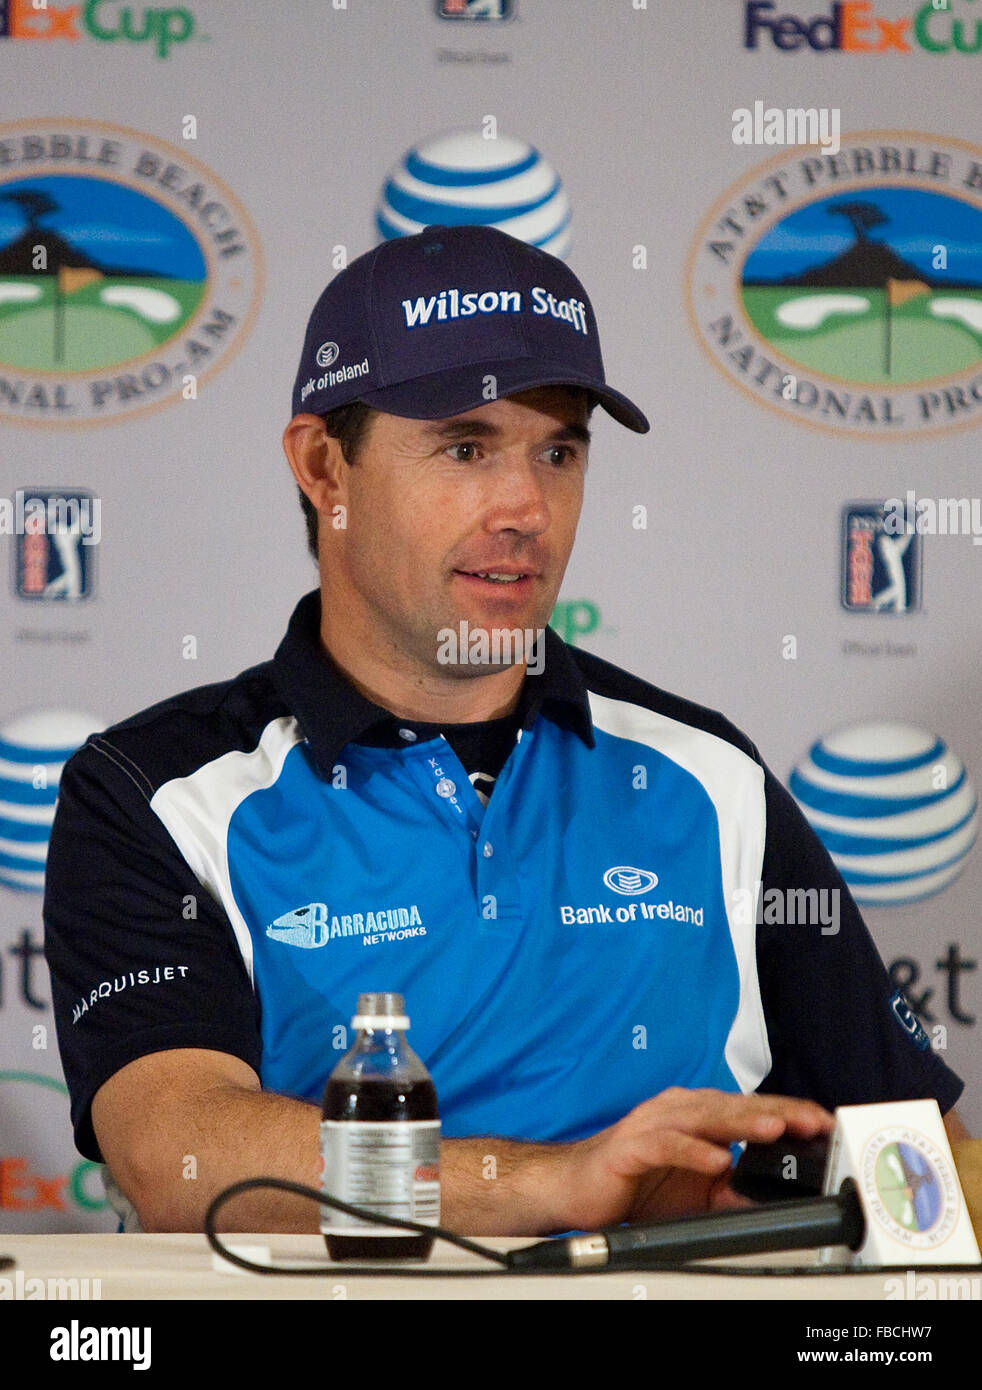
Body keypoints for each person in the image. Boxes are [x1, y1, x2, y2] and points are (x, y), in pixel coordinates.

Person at [43, 223, 968, 1237]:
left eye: (559, 449)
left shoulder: (707, 776)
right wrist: (553, 1183)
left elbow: (919, 1153)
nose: (528, 506)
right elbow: (176, 1154)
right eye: (467, 446)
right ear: (324, 469)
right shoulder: (155, 791)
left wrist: (826, 1205)